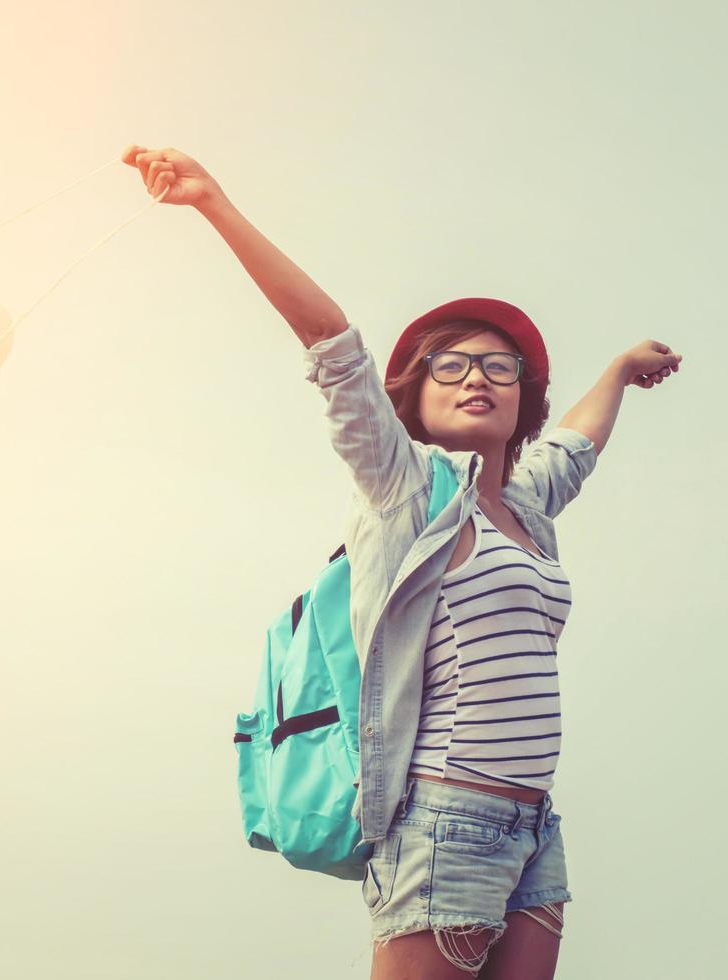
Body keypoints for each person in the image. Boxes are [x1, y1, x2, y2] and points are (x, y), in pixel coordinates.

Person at [122, 145, 684, 980]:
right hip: (445, 821)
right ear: (413, 397)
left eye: (500, 367)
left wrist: (619, 371)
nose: (476, 378)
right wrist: (215, 202)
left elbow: (577, 444)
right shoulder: (404, 488)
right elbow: (331, 344)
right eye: (449, 366)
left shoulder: (524, 506)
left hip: (535, 832)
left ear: (522, 397)